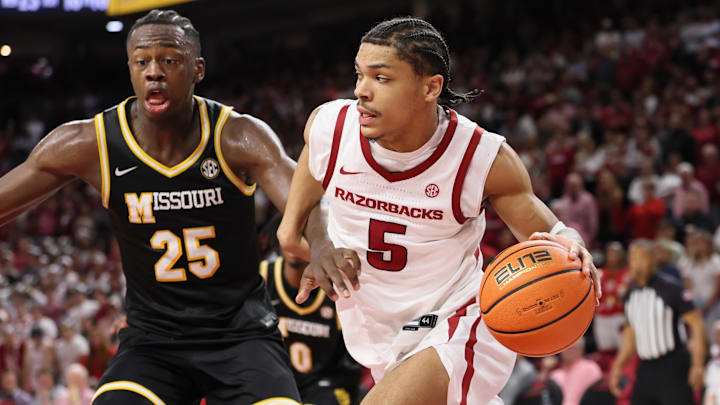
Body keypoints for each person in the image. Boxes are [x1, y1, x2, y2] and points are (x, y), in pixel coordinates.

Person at [278, 17, 601, 405]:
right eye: (359, 75)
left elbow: (551, 231)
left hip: (458, 322)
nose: (361, 91)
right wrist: (321, 246)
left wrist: (572, 242)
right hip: (383, 334)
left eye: (380, 78)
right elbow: (292, 230)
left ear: (431, 87)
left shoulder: (480, 158)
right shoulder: (329, 128)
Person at [0, 9, 317, 404]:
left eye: (169, 60)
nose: (154, 71)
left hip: (241, 338)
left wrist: (321, 245)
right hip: (153, 344)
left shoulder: (237, 135)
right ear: (130, 68)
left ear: (197, 68)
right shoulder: (91, 143)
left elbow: (306, 204)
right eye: (142, 61)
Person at [259, 232, 362, 405]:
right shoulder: (263, 275)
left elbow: (349, 362)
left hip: (321, 384)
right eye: (293, 233)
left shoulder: (337, 286)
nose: (294, 242)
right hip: (272, 380)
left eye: (304, 235)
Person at [609, 240, 706, 405]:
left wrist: (697, 364)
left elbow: (697, 324)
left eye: (643, 257)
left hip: (673, 364)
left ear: (653, 260)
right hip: (646, 366)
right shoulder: (630, 295)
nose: (638, 263)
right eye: (634, 258)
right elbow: (631, 333)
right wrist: (618, 365)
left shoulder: (671, 288)